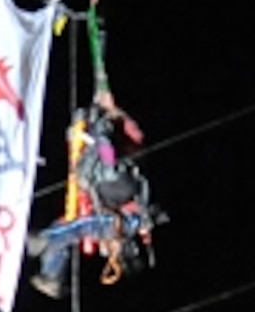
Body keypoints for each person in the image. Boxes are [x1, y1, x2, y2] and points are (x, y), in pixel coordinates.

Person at [28, 85, 165, 297]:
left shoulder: (115, 231)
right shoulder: (124, 143)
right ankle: (45, 248)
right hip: (119, 192)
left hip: (112, 201)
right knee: (77, 225)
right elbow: (133, 137)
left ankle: (50, 270)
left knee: (68, 230)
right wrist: (109, 113)